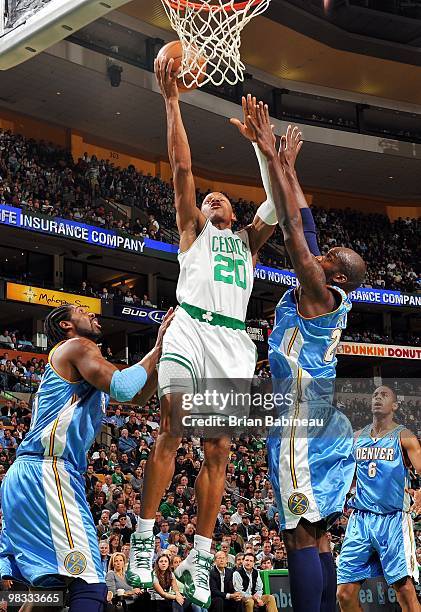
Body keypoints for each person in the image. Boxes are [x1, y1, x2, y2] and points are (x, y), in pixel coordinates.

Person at [127, 61, 278, 609]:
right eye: (206, 197)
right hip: (188, 326)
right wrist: (172, 101)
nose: (211, 199)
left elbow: (280, 204)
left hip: (235, 342)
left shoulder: (250, 241)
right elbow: (182, 167)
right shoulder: (191, 232)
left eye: (220, 198)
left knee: (219, 447)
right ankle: (144, 540)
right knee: (172, 424)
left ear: (234, 212)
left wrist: (263, 148)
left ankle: (201, 554)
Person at [246, 98, 366, 612]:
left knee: (297, 531)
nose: (319, 253)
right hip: (321, 420)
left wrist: (270, 154)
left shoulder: (318, 292)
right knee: (316, 533)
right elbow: (308, 226)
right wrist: (291, 171)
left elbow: (295, 234)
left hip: (300, 421)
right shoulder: (330, 291)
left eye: (328, 258)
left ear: (334, 276)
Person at [0, 303, 173, 612]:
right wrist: (158, 347)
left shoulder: (81, 363)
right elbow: (122, 386)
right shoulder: (78, 346)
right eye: (82, 310)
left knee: (51, 587)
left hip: (32, 474)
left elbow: (137, 395)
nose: (93, 314)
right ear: (67, 326)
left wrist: (163, 355)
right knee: (91, 581)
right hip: (48, 471)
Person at [337, 386, 421, 611]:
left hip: (392, 519)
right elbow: (341, 474)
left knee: (404, 591)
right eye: (374, 395)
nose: (377, 398)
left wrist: (420, 492)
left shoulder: (404, 436)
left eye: (384, 395)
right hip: (361, 519)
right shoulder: (357, 437)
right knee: (344, 593)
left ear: (394, 405)